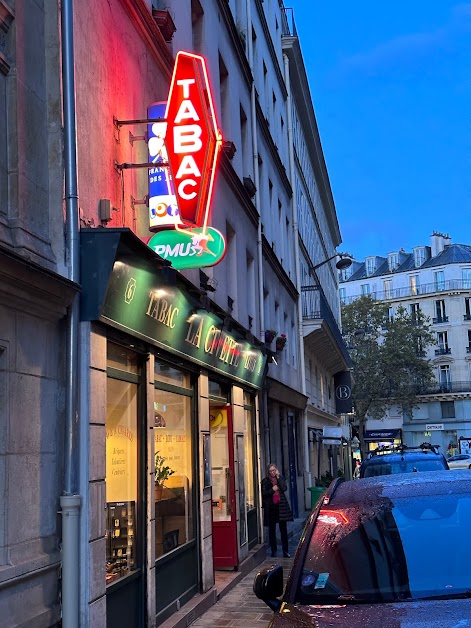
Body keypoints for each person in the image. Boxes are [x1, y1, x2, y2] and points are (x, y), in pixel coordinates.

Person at [261, 463, 293, 558]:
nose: (272, 472)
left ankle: (285, 551)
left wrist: (278, 478)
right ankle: (273, 551)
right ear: (268, 472)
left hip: (281, 507)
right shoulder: (265, 481)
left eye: (274, 470)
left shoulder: (281, 479)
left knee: (284, 531)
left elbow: (284, 488)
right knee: (272, 531)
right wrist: (272, 489)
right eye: (271, 471)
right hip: (271, 508)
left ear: (277, 470)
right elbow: (264, 493)